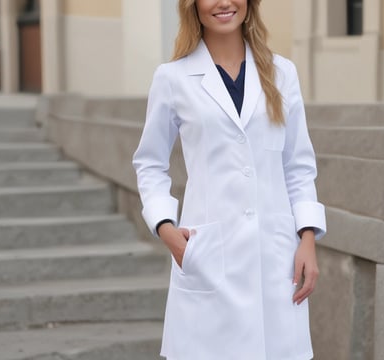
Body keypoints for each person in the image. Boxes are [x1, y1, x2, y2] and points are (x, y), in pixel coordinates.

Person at [132, 0, 326, 359]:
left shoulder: (282, 74)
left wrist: (308, 239)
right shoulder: (173, 78)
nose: (223, 2)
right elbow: (149, 163)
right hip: (207, 258)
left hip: (276, 256)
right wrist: (166, 229)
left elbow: (298, 166)